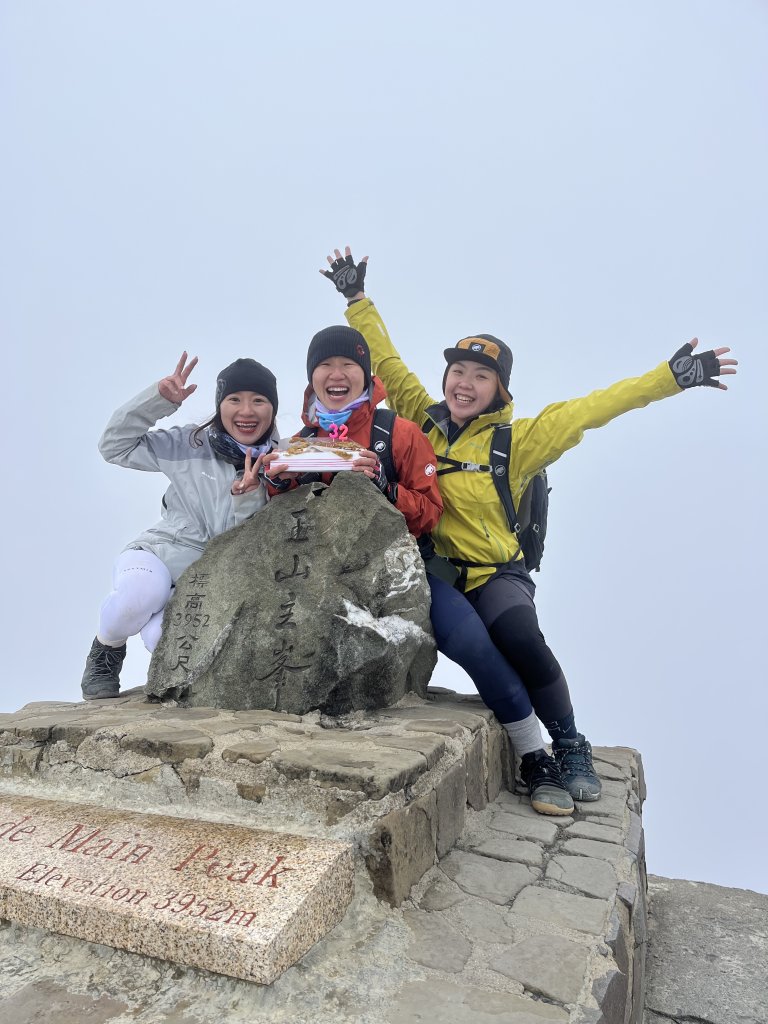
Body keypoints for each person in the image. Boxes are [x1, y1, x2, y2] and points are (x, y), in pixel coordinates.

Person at [322, 247, 738, 816]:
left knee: (519, 637)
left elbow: (593, 409)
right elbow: (388, 363)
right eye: (458, 372)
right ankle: (534, 755)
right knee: (471, 646)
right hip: (437, 572)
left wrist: (669, 379)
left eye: (481, 376)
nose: (465, 384)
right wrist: (356, 300)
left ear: (500, 388)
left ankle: (569, 742)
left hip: (497, 571)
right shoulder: (421, 417)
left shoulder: (517, 442)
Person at [81, 352, 280, 700]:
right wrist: (157, 401)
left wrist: (246, 495)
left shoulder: (282, 460)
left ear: (272, 409)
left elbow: (241, 537)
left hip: (211, 575)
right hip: (162, 551)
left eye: (258, 401)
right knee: (137, 597)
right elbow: (114, 447)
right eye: (234, 399)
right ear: (220, 406)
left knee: (162, 639)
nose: (246, 411)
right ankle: (105, 652)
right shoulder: (188, 443)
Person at [264, 324, 442, 541]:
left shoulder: (401, 433)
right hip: (323, 564)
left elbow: (431, 515)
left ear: (366, 375)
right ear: (312, 377)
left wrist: (387, 488)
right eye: (325, 364)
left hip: (393, 560)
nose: (337, 374)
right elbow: (284, 519)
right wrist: (278, 484)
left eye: (348, 364)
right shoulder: (300, 443)